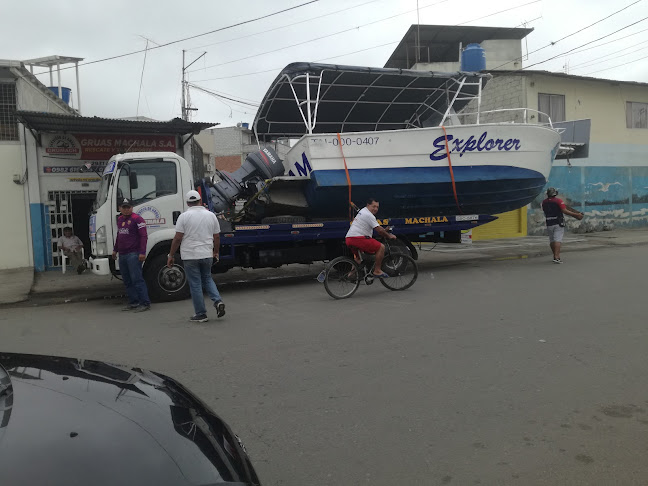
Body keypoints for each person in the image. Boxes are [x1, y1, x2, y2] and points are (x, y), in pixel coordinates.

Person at [167, 190, 225, 323]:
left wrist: (171, 255)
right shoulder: (211, 215)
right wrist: (215, 252)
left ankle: (201, 313)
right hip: (206, 254)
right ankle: (218, 301)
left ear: (188, 203)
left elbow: (177, 238)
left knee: (195, 284)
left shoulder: (184, 216)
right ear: (200, 201)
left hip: (190, 255)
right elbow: (216, 237)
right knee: (207, 278)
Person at [112, 198, 151, 312]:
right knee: (127, 280)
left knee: (137, 279)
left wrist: (142, 252)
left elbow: (144, 236)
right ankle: (134, 302)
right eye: (124, 207)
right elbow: (119, 236)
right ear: (120, 208)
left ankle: (145, 302)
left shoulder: (137, 219)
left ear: (132, 208)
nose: (126, 209)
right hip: (123, 255)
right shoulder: (120, 219)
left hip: (133, 254)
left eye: (128, 207)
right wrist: (115, 250)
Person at [345, 198, 397, 277]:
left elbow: (378, 228)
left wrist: (384, 230)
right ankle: (377, 270)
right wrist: (389, 236)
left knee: (359, 258)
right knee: (381, 247)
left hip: (349, 239)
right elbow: (379, 230)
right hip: (358, 238)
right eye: (373, 206)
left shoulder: (363, 211)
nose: (375, 209)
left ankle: (351, 275)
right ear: (368, 205)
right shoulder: (368, 215)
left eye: (377, 207)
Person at [541, 187, 583, 264]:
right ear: (555, 194)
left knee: (552, 240)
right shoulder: (558, 201)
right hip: (558, 222)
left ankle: (555, 255)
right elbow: (564, 211)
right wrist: (576, 214)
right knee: (557, 240)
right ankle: (556, 257)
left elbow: (544, 210)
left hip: (549, 222)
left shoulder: (544, 202)